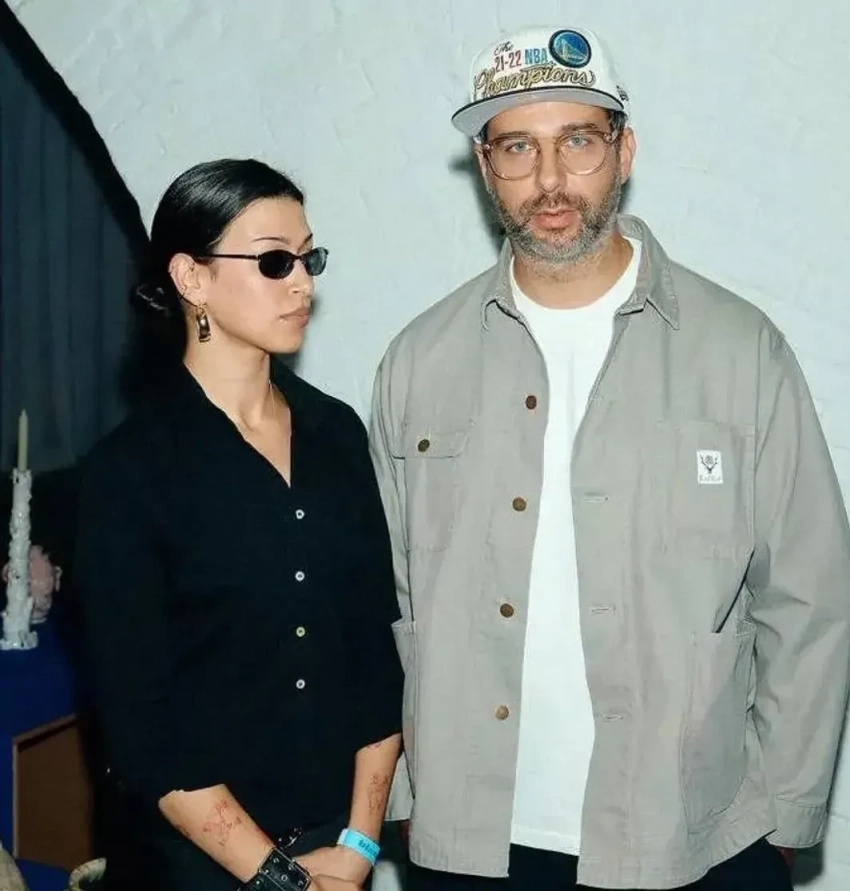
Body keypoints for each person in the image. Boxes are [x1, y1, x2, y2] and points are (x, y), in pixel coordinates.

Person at [369, 25, 850, 891]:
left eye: (578, 141)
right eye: (518, 147)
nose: (550, 179)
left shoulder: (740, 352)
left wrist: (783, 814)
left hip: (691, 836)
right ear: (485, 167)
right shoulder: (418, 362)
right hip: (470, 844)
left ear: (624, 151)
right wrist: (406, 794)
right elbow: (388, 598)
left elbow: (811, 597)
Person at [75, 158, 403, 891]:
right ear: (191, 277)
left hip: (337, 847)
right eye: (275, 262)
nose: (303, 283)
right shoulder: (128, 472)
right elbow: (144, 725)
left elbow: (377, 654)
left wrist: (358, 845)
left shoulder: (335, 433)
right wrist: (280, 880)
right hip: (189, 868)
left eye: (309, 258)